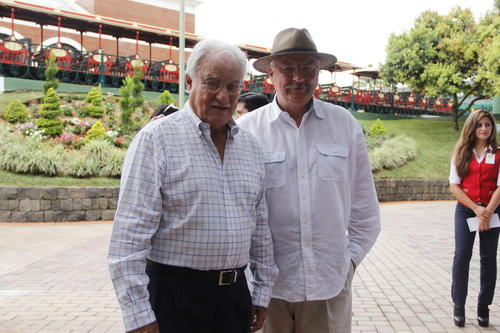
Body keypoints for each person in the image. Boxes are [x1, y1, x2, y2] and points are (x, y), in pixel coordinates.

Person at [108, 39, 278, 333]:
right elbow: (128, 240)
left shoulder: (250, 147)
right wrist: (139, 316)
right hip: (174, 298)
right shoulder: (156, 140)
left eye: (232, 86)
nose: (223, 96)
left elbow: (260, 228)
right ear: (189, 81)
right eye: (212, 83)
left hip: (234, 297)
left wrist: (261, 293)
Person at [237, 27, 381, 333]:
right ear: (271, 75)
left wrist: (348, 264)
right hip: (266, 293)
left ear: (318, 73)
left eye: (307, 68)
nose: (298, 78)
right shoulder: (246, 131)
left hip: (328, 287)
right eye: (288, 69)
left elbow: (365, 210)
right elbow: (236, 212)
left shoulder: (345, 126)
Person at [449, 110, 499, 328]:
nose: (484, 129)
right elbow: (454, 186)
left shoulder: (498, 153)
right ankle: (458, 306)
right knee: (462, 256)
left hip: (493, 209)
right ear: (472, 127)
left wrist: (487, 211)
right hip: (466, 210)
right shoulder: (461, 151)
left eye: (488, 125)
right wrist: (476, 210)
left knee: (488, 259)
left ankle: (483, 307)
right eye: (480, 125)